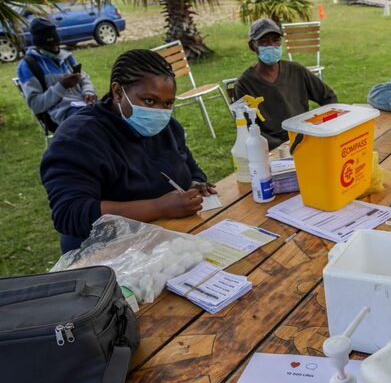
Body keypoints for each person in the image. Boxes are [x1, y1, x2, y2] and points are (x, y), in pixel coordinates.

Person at [40, 49, 216, 253]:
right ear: (117, 92)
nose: (159, 112)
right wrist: (158, 207)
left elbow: (190, 168)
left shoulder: (167, 127)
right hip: (106, 255)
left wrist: (196, 183)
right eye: (149, 101)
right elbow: (70, 213)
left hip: (169, 241)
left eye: (168, 103)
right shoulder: (79, 138)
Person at [234, 18, 338, 149]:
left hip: (305, 136)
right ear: (252, 46)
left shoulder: (296, 70)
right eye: (264, 42)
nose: (271, 46)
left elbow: (328, 97)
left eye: (276, 41)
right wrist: (281, 146)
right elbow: (248, 127)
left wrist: (322, 127)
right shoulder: (245, 84)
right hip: (274, 147)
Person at [16, 17, 97, 126]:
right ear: (39, 45)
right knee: (93, 125)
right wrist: (61, 86)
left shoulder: (66, 56)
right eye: (49, 46)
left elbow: (84, 79)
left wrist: (88, 92)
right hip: (61, 114)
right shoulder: (28, 65)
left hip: (85, 105)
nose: (55, 49)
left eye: (56, 44)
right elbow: (35, 105)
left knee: (115, 115)